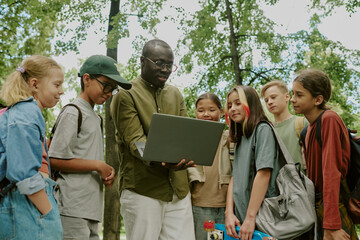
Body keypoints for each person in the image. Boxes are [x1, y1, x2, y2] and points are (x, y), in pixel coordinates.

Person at [110, 39, 196, 240]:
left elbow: (186, 133)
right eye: (159, 63)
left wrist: (189, 153)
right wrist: (166, 160)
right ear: (142, 61)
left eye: (169, 65)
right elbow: (136, 142)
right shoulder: (125, 94)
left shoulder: (175, 94)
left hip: (179, 191)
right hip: (143, 191)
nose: (165, 69)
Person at [48, 55, 132, 240]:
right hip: (71, 206)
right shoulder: (73, 112)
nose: (109, 92)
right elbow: (54, 159)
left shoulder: (96, 118)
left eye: (113, 89)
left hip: (91, 208)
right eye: (106, 85)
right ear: (87, 79)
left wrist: (102, 172)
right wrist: (97, 165)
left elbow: (84, 157)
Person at [0, 55, 64, 239]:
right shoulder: (26, 114)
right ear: (35, 84)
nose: (61, 91)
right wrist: (48, 212)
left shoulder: (22, 113)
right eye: (57, 84)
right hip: (25, 207)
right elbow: (24, 173)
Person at [291, 69, 357, 240]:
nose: (292, 99)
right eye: (292, 94)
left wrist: (332, 225)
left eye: (299, 94)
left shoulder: (329, 119)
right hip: (320, 208)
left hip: (334, 207)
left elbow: (331, 173)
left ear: (318, 99)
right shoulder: (307, 130)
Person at [224, 85, 284, 240]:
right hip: (241, 217)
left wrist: (250, 217)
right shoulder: (241, 137)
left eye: (238, 103)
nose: (232, 109)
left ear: (251, 104)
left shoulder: (262, 129)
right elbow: (234, 176)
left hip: (261, 218)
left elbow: (264, 173)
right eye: (229, 105)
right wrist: (229, 213)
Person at [187, 92, 234, 240]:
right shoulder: (190, 138)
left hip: (226, 207)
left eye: (212, 110)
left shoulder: (230, 137)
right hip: (199, 206)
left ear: (221, 112)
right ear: (195, 113)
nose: (206, 114)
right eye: (201, 111)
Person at [261, 80, 308, 172]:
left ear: (287, 97)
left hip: (301, 183)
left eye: (273, 97)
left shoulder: (302, 123)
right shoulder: (266, 129)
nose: (269, 102)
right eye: (266, 100)